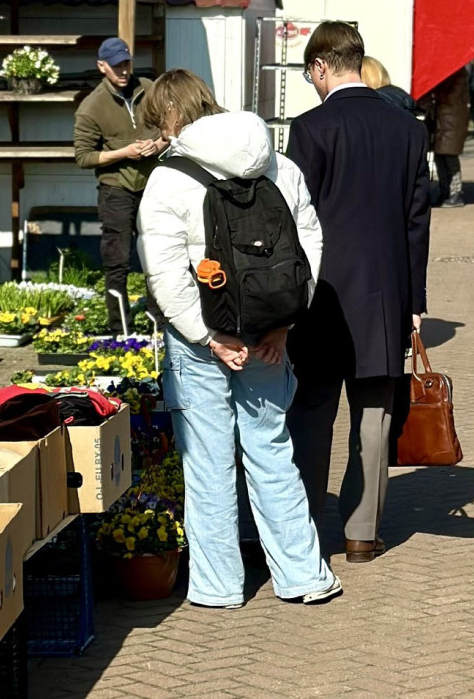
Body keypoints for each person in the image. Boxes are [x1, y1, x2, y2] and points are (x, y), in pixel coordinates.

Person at [135, 70, 342, 608]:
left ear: (169, 118)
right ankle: (304, 575)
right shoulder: (277, 162)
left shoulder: (169, 177)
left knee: (207, 463)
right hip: (268, 333)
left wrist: (207, 336)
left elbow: (163, 272)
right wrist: (284, 323)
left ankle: (220, 585)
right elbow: (308, 244)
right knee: (272, 449)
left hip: (203, 337)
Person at [286, 21, 431, 564]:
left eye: (309, 74)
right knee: (374, 418)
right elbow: (417, 222)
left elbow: (296, 221)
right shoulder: (408, 130)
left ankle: (300, 533)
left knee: (310, 417)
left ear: (322, 66)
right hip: (386, 295)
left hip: (322, 295)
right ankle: (362, 535)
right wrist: (415, 301)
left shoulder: (309, 129)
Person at [73, 37, 165, 335]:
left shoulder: (150, 89)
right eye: (115, 66)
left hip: (154, 186)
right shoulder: (91, 107)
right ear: (102, 67)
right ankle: (118, 330)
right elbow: (83, 156)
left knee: (158, 255)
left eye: (126, 63)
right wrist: (123, 153)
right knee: (118, 260)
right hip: (116, 189)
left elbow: (173, 127)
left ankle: (159, 325)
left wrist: (160, 144)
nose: (123, 71)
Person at [422, 66, 470, 208]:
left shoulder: (458, 75)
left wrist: (435, 92)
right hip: (444, 121)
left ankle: (455, 192)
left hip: (451, 121)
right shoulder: (450, 73)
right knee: (440, 157)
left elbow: (451, 96)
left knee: (450, 157)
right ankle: (445, 190)